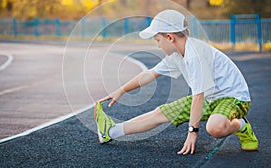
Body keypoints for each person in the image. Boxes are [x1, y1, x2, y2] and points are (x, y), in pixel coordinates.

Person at [94, 9, 258, 155]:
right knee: (159, 113)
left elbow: (198, 97)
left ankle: (241, 125)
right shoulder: (176, 55)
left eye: (157, 40)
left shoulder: (195, 55)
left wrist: (192, 133)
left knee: (214, 127)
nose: (158, 45)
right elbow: (150, 74)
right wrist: (121, 90)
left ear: (169, 37)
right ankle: (111, 131)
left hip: (234, 97)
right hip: (210, 98)